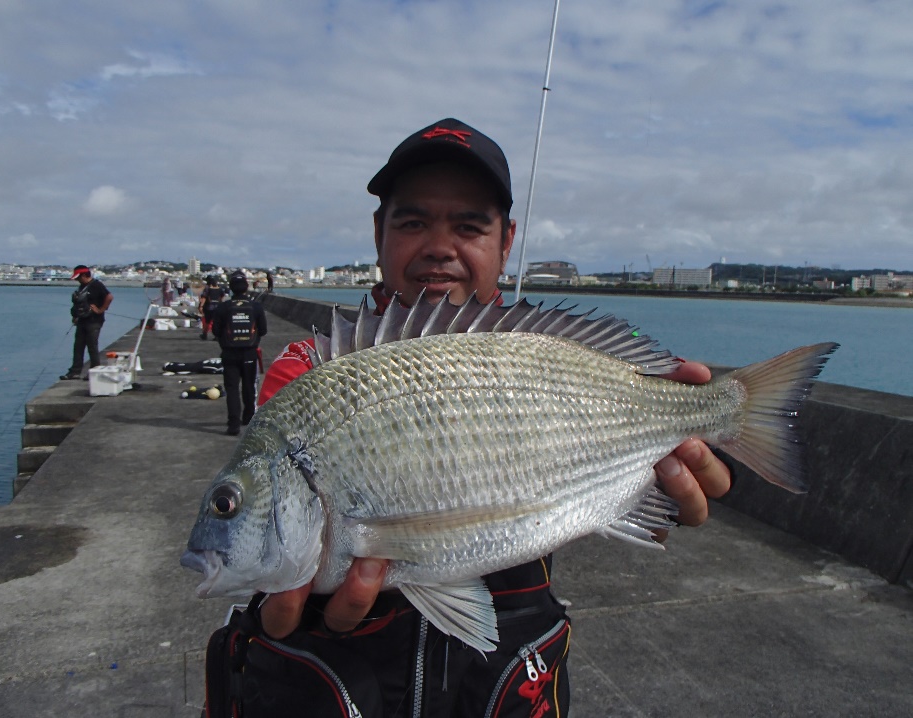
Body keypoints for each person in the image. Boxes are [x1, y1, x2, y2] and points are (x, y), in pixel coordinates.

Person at [228, 118, 732, 717]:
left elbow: (611, 487)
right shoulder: (309, 374)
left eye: (469, 226)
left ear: (506, 241)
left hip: (507, 683)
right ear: (377, 232)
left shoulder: (548, 353)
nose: (440, 246)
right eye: (413, 222)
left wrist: (668, 482)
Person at [212, 271, 267, 436]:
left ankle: (233, 424)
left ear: (230, 288)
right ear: (246, 287)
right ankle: (249, 417)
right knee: (249, 387)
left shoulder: (223, 307)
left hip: (229, 354)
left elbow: (216, 330)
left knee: (232, 389)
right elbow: (263, 330)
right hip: (250, 353)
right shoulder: (256, 307)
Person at [60, 265, 113, 380]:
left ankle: (94, 371)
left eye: (78, 277)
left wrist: (101, 310)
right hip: (82, 320)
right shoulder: (81, 287)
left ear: (84, 275)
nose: (77, 280)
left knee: (92, 346)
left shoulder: (97, 285)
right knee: (78, 346)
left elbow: (109, 297)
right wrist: (75, 316)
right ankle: (75, 371)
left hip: (94, 321)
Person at [198, 276, 226, 340]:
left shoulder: (207, 288)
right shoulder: (220, 288)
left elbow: (204, 298)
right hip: (217, 306)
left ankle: (205, 334)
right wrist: (220, 302)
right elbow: (222, 296)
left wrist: (201, 306)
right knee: (216, 322)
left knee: (207, 321)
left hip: (209, 307)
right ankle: (216, 336)